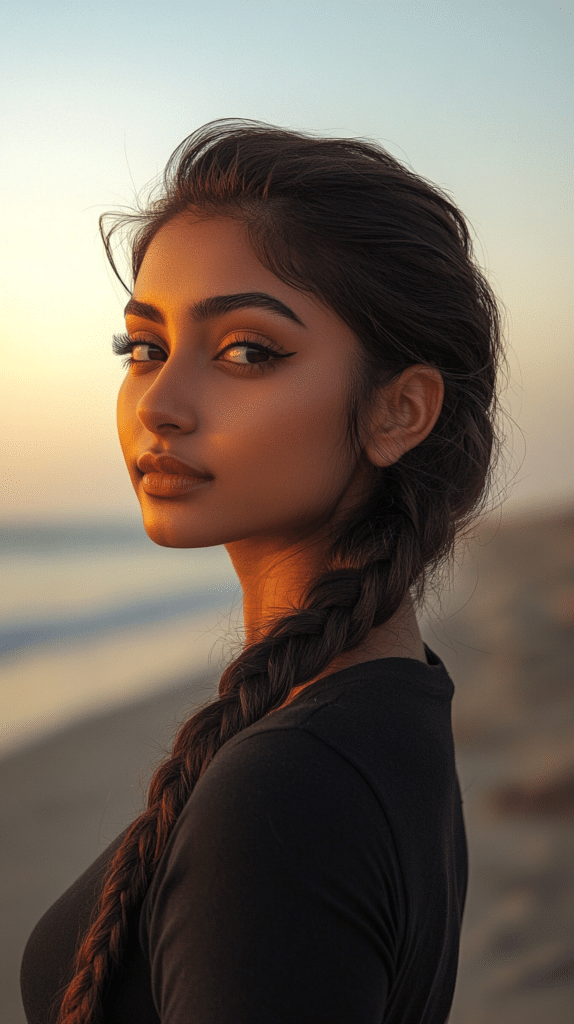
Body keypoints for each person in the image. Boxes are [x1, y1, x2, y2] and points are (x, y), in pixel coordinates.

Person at [20, 118, 504, 1024]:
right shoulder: (387, 699)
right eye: (144, 348)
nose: (158, 405)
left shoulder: (289, 795)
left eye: (247, 351)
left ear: (398, 411)